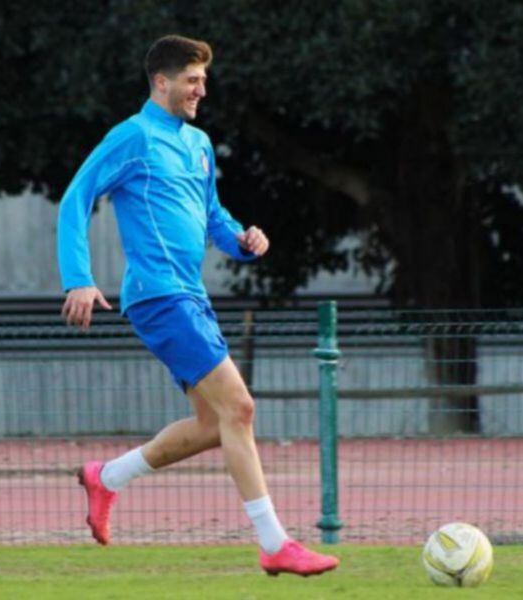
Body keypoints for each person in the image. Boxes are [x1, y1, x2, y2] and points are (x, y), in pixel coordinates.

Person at [57, 34, 339, 577]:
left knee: (214, 424)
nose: (201, 90)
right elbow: (76, 197)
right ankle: (274, 543)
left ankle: (106, 477)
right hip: (159, 297)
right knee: (241, 408)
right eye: (192, 80)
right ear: (161, 82)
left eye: (204, 80)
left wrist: (243, 240)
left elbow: (212, 216)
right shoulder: (132, 137)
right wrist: (79, 278)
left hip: (191, 296)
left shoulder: (200, 144)